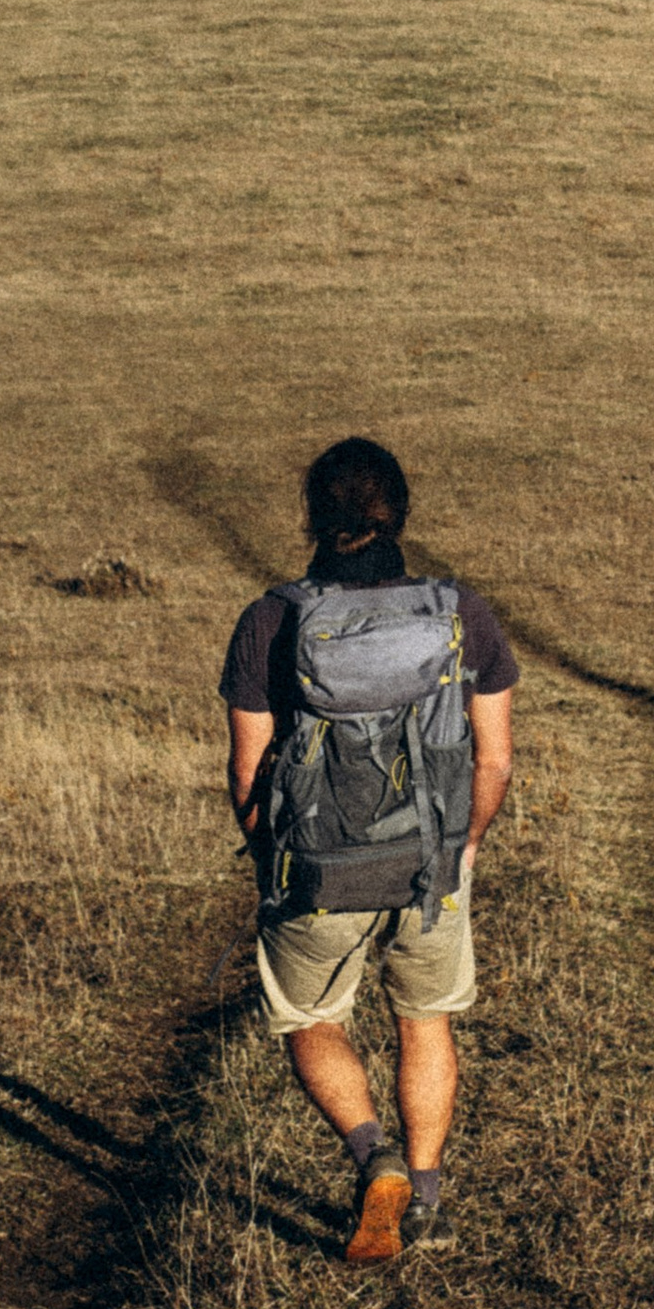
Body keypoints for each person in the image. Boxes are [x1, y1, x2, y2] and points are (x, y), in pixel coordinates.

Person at [221, 437, 518, 1264]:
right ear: (402, 513)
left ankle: (371, 1156)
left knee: (312, 1017)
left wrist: (271, 859)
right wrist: (461, 846)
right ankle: (424, 1200)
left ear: (311, 516)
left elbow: (248, 770)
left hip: (314, 868)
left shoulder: (271, 620)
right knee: (424, 1020)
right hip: (432, 862)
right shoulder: (463, 614)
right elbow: (493, 758)